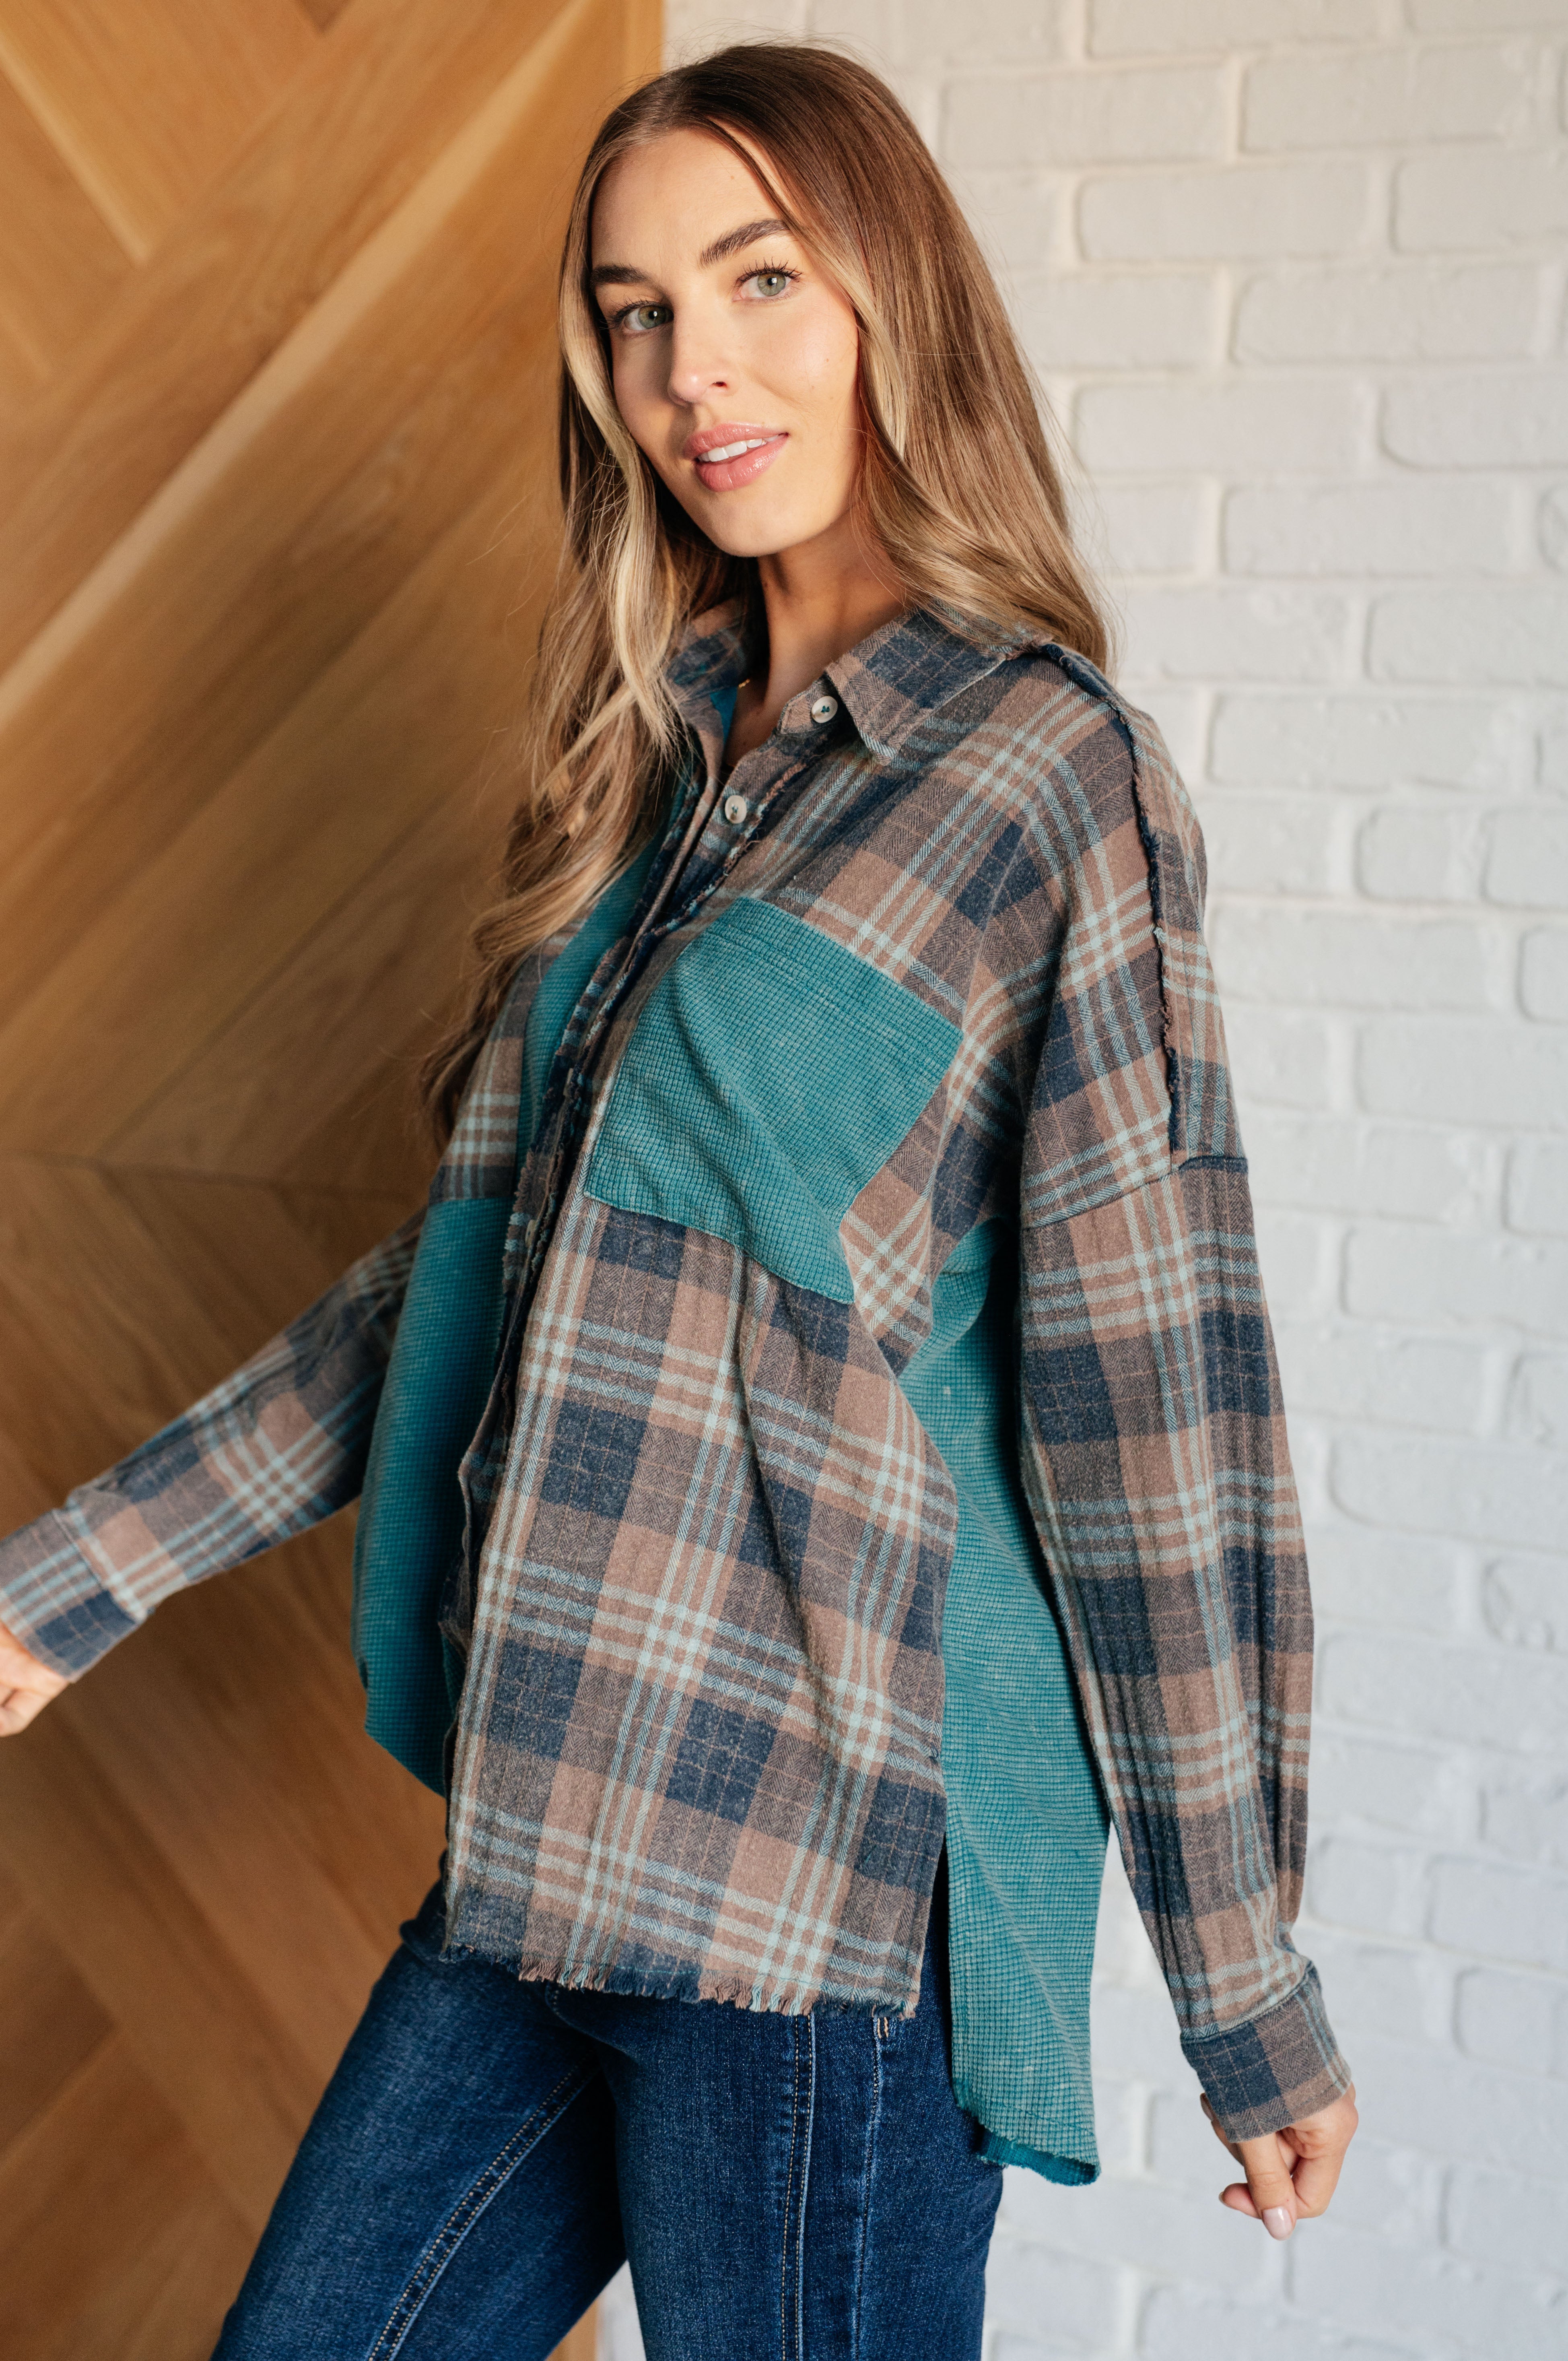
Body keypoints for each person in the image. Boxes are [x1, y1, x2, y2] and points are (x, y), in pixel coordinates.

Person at [0, 43, 1357, 2361]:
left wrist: (1246, 1987)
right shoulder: (664, 759)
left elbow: (1154, 1424)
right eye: (634, 311)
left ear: (890, 295)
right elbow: (457, 1297)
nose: (691, 371)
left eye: (758, 278)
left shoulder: (1045, 786)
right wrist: (65, 1587)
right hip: (547, 1851)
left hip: (818, 1931)